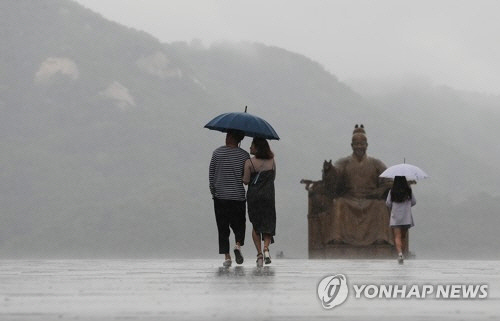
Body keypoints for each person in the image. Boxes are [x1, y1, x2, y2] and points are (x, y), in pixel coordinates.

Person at [327, 125, 393, 246]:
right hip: (349, 199)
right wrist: (329, 170)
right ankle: (337, 238)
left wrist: (380, 190)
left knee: (380, 205)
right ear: (351, 146)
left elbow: (388, 180)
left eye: (362, 144)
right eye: (356, 144)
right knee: (339, 203)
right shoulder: (344, 162)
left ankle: (381, 238)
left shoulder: (376, 163)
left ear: (366, 145)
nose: (359, 147)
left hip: (370, 200)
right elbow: (335, 174)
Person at [209, 129, 250, 267]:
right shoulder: (244, 155)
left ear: (232, 138)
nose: (226, 137)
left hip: (220, 197)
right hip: (237, 196)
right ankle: (238, 245)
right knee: (239, 224)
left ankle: (227, 257)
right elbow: (246, 177)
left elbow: (211, 175)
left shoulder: (217, 153)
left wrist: (214, 192)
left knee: (223, 227)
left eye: (228, 135)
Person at [243, 138, 276, 267]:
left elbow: (245, 181)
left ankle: (259, 255)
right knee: (268, 224)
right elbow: (273, 178)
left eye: (252, 146)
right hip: (268, 196)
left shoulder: (249, 162)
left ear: (257, 148)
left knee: (256, 225)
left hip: (254, 197)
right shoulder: (272, 162)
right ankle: (266, 249)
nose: (250, 148)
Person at [385, 176, 416, 264]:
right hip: (406, 217)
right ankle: (403, 252)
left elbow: (388, 203)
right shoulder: (408, 190)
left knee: (397, 236)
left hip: (396, 217)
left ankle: (400, 253)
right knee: (403, 236)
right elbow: (414, 202)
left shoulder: (392, 191)